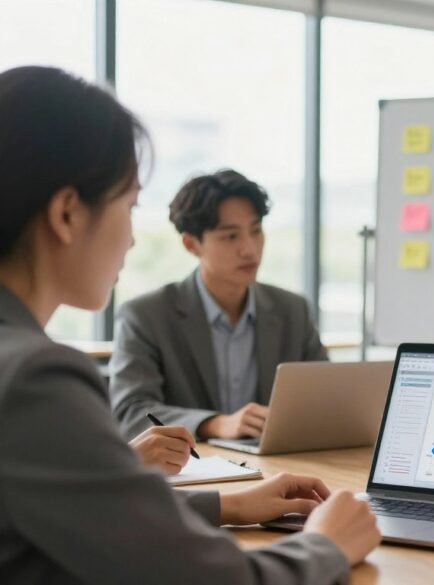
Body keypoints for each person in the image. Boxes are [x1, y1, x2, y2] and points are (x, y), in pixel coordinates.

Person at [0, 65, 380, 583]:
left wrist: (232, 505)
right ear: (67, 214)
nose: (133, 241)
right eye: (129, 206)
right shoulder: (33, 379)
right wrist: (326, 546)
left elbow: (87, 514)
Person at [109, 169, 328, 441]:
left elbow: (326, 402)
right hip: (192, 471)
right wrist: (214, 424)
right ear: (191, 244)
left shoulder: (293, 310)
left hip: (277, 468)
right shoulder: (146, 316)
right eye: (231, 236)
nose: (250, 249)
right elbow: (131, 412)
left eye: (256, 231)